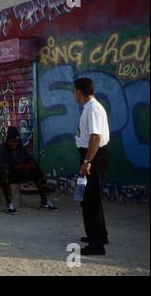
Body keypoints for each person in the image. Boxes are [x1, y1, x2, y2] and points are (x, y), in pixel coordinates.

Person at [74, 77, 110, 256]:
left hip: (93, 156)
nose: (74, 94)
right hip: (91, 155)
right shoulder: (89, 108)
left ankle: (97, 245)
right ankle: (99, 235)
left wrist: (87, 162)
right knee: (90, 199)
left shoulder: (93, 109)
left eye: (74, 91)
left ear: (79, 91)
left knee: (90, 200)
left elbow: (95, 137)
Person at [0, 127, 58, 214]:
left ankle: (44, 201)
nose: (14, 144)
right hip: (2, 175)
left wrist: (31, 164)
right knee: (4, 173)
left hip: (17, 174)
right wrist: (15, 166)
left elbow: (30, 158)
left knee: (37, 170)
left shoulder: (20, 148)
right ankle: (9, 205)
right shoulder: (0, 148)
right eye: (11, 142)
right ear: (7, 141)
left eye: (15, 142)